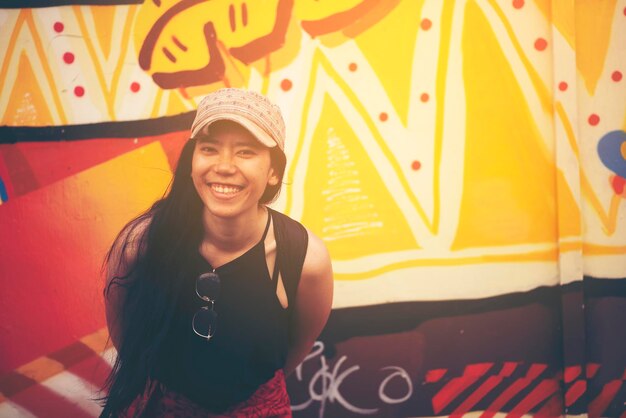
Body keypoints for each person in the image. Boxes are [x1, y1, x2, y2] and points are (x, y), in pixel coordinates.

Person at [99, 88, 334, 417]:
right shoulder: (142, 244)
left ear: (274, 172)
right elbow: (124, 329)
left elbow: (297, 347)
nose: (224, 166)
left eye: (246, 152)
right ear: (192, 162)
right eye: (209, 149)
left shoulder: (305, 260)